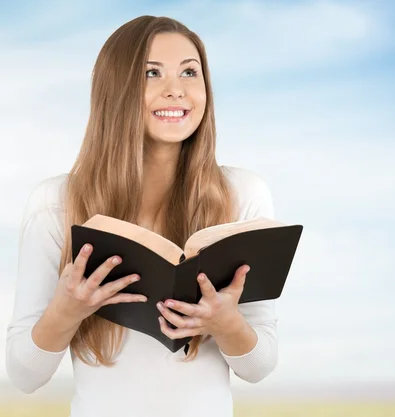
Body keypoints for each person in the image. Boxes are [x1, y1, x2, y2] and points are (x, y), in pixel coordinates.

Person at [5, 15, 279, 417]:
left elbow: (261, 366)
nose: (176, 90)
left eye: (190, 72)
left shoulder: (241, 196)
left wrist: (227, 324)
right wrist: (65, 311)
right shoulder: (56, 204)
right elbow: (25, 375)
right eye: (152, 73)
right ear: (116, 89)